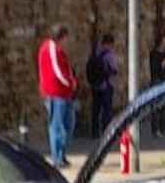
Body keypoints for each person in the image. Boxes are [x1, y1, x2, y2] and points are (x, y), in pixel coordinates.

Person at [37, 24, 78, 167]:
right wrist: (70, 82)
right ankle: (57, 157)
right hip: (55, 93)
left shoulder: (58, 50)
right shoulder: (51, 49)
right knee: (57, 126)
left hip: (64, 93)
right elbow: (57, 70)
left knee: (68, 125)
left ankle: (62, 154)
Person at [85, 33, 121, 138]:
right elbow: (114, 69)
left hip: (95, 85)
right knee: (107, 110)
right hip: (106, 85)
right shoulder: (109, 55)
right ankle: (106, 133)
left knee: (95, 109)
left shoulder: (95, 53)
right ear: (110, 44)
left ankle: (95, 132)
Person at [148, 36, 165, 136]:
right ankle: (155, 130)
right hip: (157, 81)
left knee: (164, 106)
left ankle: (163, 129)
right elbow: (156, 68)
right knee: (156, 106)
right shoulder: (154, 54)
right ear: (160, 43)